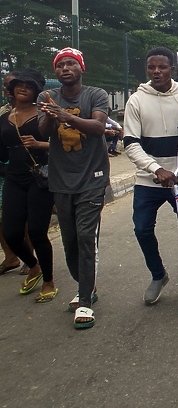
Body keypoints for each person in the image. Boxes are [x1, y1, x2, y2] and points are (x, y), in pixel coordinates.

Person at [38, 48, 109, 329]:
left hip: (92, 177)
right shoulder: (50, 97)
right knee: (68, 242)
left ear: (81, 68)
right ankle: (86, 286)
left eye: (71, 64)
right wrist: (50, 115)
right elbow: (43, 133)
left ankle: (85, 302)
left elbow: (98, 127)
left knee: (84, 237)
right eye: (60, 65)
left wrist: (65, 116)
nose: (65, 68)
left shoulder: (96, 95)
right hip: (60, 180)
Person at [124, 47, 178, 305]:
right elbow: (131, 143)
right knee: (142, 229)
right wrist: (156, 169)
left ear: (172, 69)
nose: (156, 71)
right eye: (151, 67)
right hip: (149, 179)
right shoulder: (136, 100)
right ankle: (158, 275)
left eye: (162, 67)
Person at [0, 69, 57, 302]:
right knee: (11, 233)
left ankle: (48, 280)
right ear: (11, 90)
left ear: (36, 91)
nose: (23, 88)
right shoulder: (4, 118)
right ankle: (33, 266)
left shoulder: (43, 115)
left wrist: (40, 141)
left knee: (36, 232)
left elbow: (59, 146)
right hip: (13, 177)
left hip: (39, 178)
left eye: (29, 86)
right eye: (19, 85)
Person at [0, 72, 22, 275]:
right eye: (6, 85)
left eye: (11, 84)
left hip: (25, 169)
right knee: (3, 219)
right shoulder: (2, 113)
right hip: (3, 169)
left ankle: (32, 259)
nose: (7, 88)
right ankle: (10, 256)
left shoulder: (34, 111)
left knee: (27, 219)